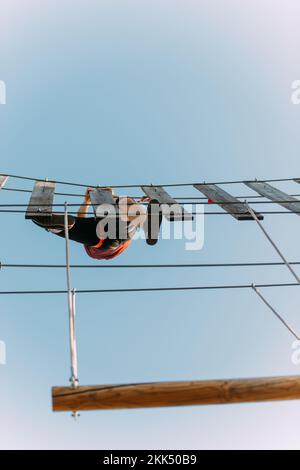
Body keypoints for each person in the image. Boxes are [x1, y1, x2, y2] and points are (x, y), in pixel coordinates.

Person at [31, 188, 149, 260]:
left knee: (73, 223)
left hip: (112, 240)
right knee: (72, 222)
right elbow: (80, 219)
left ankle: (52, 225)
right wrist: (87, 201)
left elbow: (80, 220)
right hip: (109, 236)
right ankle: (52, 225)